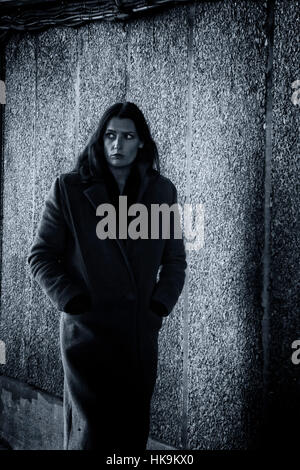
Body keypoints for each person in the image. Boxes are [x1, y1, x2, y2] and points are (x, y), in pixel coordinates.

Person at [27, 102, 187, 452]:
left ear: (141, 142)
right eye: (110, 136)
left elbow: (174, 260)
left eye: (128, 136)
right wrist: (73, 300)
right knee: (91, 438)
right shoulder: (69, 190)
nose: (118, 145)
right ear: (100, 140)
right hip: (88, 339)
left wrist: (158, 306)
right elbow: (41, 256)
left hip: (137, 338)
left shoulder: (162, 193)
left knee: (130, 438)